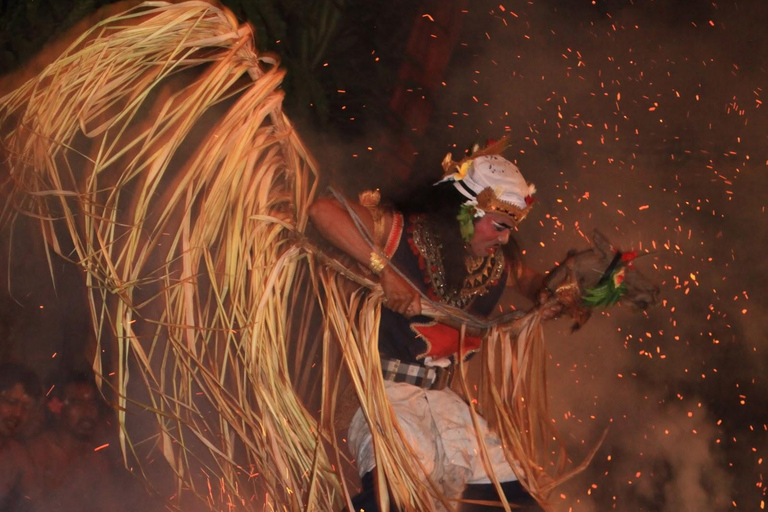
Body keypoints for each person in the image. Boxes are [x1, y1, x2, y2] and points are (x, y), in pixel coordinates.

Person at [309, 141, 559, 511]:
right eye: (500, 225)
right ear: (467, 211)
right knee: (390, 503)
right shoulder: (399, 233)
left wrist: (562, 292)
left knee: (520, 505)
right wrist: (385, 270)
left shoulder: (496, 263)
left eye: (511, 228)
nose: (505, 238)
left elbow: (533, 283)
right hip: (384, 402)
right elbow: (323, 211)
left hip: (447, 407)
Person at [0, 362, 40, 512]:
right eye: (11, 402)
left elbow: (37, 503)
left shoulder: (18, 456)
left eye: (26, 407)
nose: (18, 413)